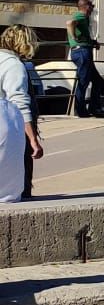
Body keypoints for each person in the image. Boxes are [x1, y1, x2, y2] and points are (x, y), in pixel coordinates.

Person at [0, 28, 44, 201]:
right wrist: (33, 139)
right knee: (19, 185)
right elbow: (20, 103)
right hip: (9, 128)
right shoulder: (13, 65)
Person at [67, 0, 104, 118]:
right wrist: (73, 37)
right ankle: (81, 111)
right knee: (83, 82)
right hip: (82, 52)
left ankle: (95, 109)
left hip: (83, 51)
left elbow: (83, 34)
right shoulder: (81, 16)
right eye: (91, 7)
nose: (93, 9)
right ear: (86, 7)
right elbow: (69, 23)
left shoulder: (85, 18)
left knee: (97, 81)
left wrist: (93, 42)